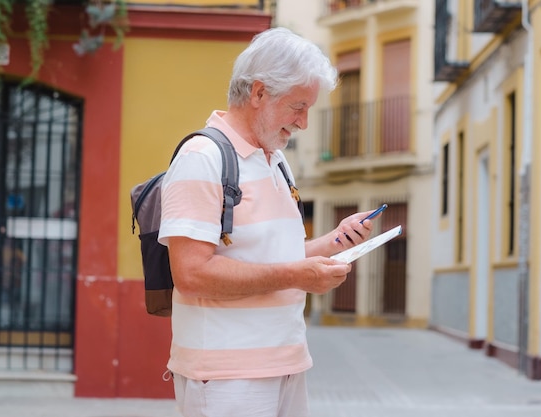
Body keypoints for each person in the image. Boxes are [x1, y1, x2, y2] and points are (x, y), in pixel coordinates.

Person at [158, 27, 380, 417]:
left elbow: (274, 256)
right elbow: (191, 273)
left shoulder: (276, 161)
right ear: (259, 93)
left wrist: (334, 243)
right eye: (298, 106)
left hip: (286, 367)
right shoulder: (202, 157)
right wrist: (297, 276)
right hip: (227, 377)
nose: (304, 123)